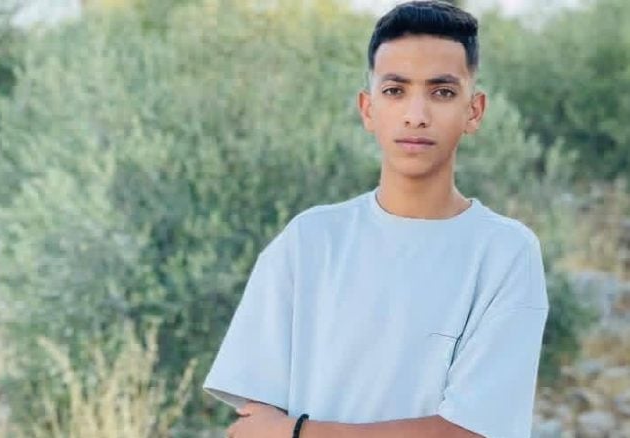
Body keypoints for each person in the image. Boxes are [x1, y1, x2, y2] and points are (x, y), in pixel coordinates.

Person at [202, 1, 550, 437]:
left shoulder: (505, 252)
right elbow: (255, 425)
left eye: (442, 92)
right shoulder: (309, 240)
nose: (416, 115)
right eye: (395, 91)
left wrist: (299, 432)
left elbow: (475, 432)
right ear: (368, 109)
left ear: (474, 111)